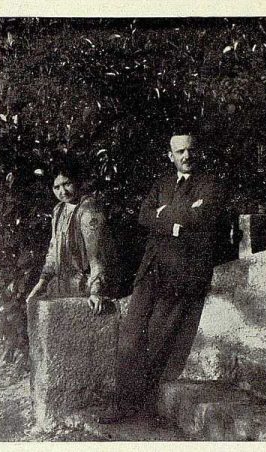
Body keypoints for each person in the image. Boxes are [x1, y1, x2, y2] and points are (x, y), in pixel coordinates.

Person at [99, 134, 223, 423]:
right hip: (150, 271)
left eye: (191, 150)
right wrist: (177, 221)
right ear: (171, 156)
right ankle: (121, 403)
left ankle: (142, 405)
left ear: (198, 152)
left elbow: (202, 219)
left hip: (180, 274)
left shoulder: (209, 185)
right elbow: (143, 215)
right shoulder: (163, 184)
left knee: (156, 338)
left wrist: (164, 216)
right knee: (129, 336)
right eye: (180, 151)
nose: (186, 156)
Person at [26, 158, 115, 314]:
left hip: (86, 291)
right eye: (57, 187)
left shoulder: (88, 210)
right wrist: (42, 282)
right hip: (64, 290)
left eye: (67, 184)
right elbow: (53, 250)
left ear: (77, 181)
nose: (63, 191)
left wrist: (96, 291)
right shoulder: (58, 210)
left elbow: (97, 256)